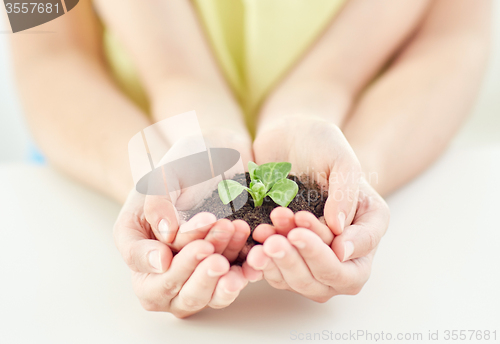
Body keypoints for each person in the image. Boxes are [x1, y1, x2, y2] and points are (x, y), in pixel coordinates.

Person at [10, 0, 491, 318]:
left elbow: (456, 36)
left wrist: (352, 171)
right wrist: (153, 180)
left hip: (389, 137)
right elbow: (46, 53)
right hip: (106, 144)